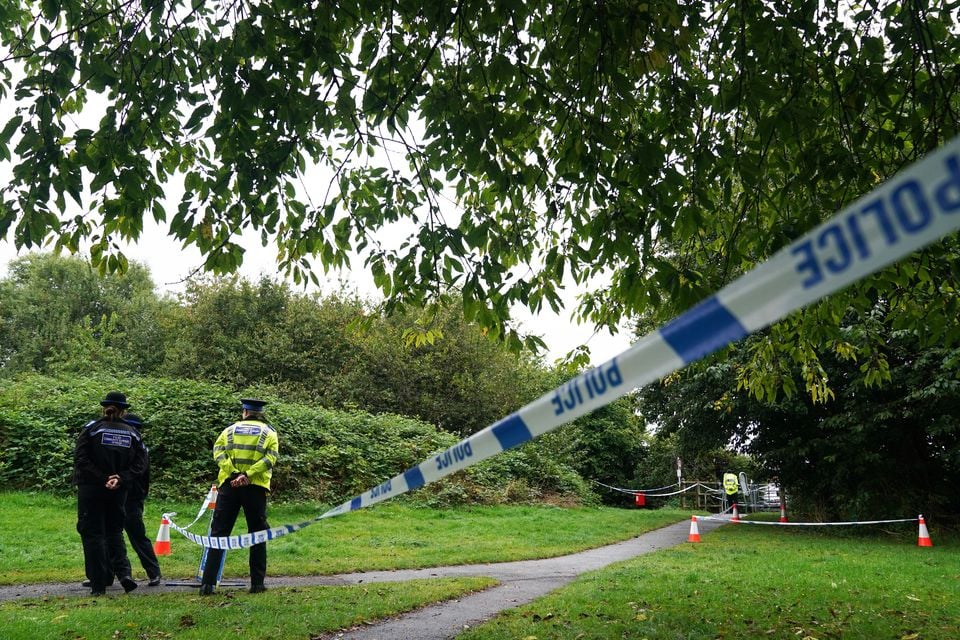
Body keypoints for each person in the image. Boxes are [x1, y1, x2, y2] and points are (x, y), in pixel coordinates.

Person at [200, 398, 279, 595]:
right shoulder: (269, 433)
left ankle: (207, 584)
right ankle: (257, 584)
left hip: (229, 486)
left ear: (244, 412)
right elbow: (270, 459)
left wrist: (234, 473)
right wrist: (248, 475)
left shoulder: (229, 431)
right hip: (255, 488)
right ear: (260, 413)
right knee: (257, 534)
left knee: (218, 534)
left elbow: (217, 453)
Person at [74, 391, 146, 596]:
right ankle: (124, 574)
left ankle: (98, 585)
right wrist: (120, 478)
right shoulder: (133, 433)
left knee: (93, 534)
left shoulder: (91, 429)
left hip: (91, 488)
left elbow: (81, 459)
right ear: (123, 411)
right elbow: (140, 464)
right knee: (115, 532)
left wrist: (102, 478)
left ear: (103, 408)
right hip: (119, 491)